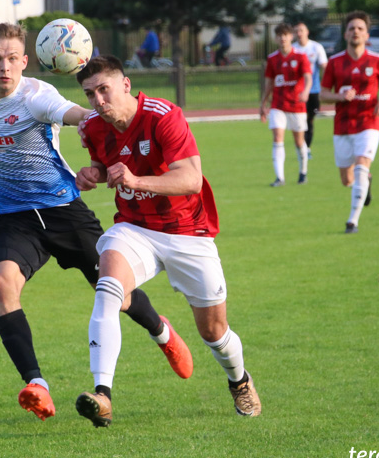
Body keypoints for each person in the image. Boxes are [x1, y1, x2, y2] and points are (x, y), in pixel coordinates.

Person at [0, 23, 192, 421]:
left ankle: (162, 332)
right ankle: (37, 385)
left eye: (12, 59)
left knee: (115, 293)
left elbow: (79, 115)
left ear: (25, 62)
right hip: (15, 219)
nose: (5, 67)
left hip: (63, 211)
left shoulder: (38, 96)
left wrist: (103, 113)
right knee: (1, 284)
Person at [72, 55, 261, 428]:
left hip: (187, 231)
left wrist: (138, 181)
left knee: (214, 332)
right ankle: (103, 395)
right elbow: (105, 163)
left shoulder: (163, 115)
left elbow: (190, 179)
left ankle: (239, 381)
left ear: (125, 85)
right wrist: (92, 173)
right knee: (107, 288)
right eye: (90, 94)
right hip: (134, 228)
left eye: (104, 90)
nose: (97, 101)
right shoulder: (94, 127)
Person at [320, 11, 379, 234]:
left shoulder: (378, 60)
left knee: (361, 165)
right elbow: (323, 94)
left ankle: (352, 221)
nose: (355, 32)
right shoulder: (335, 63)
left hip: (369, 122)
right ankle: (367, 180)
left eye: (359, 29)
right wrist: (339, 97)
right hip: (343, 126)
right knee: (347, 179)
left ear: (367, 35)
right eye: (351, 29)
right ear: (345, 34)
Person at [260, 23, 313, 186]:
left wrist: (306, 91)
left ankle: (303, 173)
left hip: (297, 105)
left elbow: (308, 77)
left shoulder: (300, 56)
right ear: (276, 38)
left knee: (298, 141)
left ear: (291, 37)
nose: (282, 38)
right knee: (277, 138)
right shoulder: (272, 59)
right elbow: (269, 83)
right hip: (278, 105)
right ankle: (279, 178)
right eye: (279, 35)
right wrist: (263, 104)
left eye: (285, 35)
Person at [293, 22, 328, 159]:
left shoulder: (316, 47)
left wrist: (327, 84)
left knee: (310, 120)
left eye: (301, 30)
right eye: (296, 31)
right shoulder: (293, 49)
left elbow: (325, 67)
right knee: (300, 121)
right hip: (298, 92)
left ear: (307, 32)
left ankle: (306, 147)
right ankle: (303, 149)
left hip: (314, 91)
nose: (299, 33)